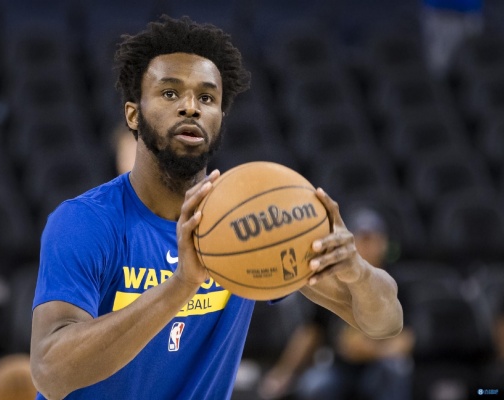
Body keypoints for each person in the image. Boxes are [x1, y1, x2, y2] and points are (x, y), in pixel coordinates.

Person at [30, 16, 403, 400]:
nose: (191, 107)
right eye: (170, 93)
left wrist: (357, 272)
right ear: (133, 114)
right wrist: (181, 286)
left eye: (207, 98)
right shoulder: (85, 222)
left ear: (221, 118)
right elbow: (50, 373)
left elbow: (385, 322)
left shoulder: (248, 222)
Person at [258, 206, 415, 400]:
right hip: (340, 367)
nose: (366, 246)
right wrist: (284, 372)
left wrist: (369, 350)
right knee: (315, 384)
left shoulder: (394, 283)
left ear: (383, 244)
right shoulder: (332, 278)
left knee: (394, 370)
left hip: (378, 366)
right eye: (360, 239)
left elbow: (407, 339)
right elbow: (311, 331)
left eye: (371, 239)